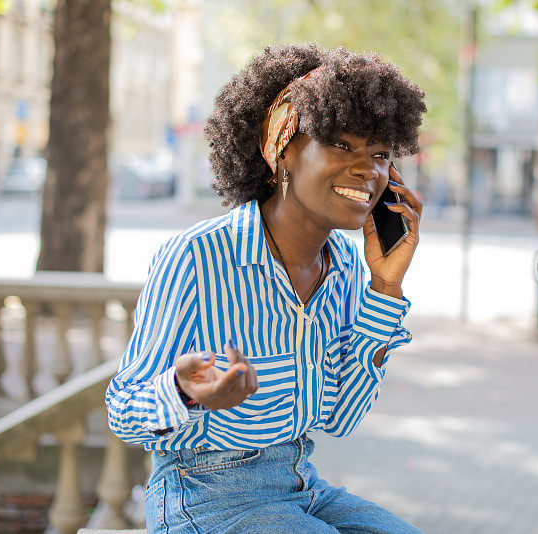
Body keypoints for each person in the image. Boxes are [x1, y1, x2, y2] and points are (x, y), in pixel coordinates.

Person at [105, 43, 427, 533]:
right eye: (343, 145)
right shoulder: (196, 258)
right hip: (203, 496)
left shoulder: (341, 267)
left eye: (380, 155)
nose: (370, 170)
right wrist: (187, 393)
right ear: (282, 151)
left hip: (300, 484)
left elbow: (340, 417)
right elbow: (124, 411)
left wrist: (384, 287)